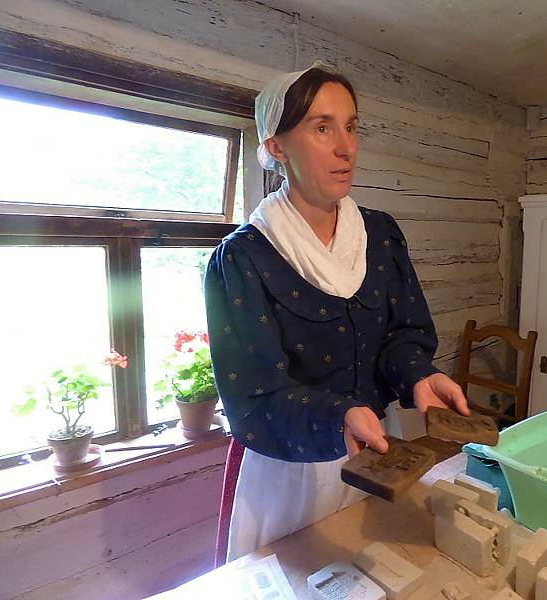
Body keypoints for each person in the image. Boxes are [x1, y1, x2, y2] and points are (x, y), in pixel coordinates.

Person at [204, 62, 469, 560]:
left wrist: (416, 374)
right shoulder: (242, 259)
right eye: (322, 127)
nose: (346, 147)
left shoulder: (381, 234)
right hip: (289, 472)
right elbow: (253, 395)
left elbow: (402, 333)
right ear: (276, 147)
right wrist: (339, 415)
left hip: (379, 455)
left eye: (351, 126)